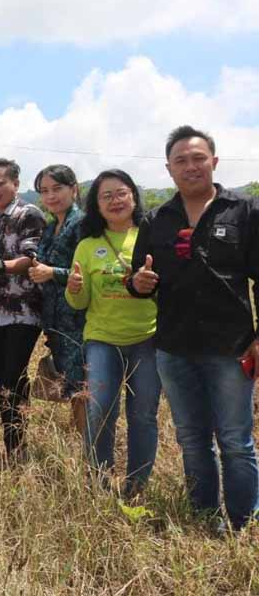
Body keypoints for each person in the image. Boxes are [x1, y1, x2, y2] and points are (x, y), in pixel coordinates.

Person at [129, 125, 259, 530]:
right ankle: (205, 517)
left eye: (198, 158)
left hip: (231, 346)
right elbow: (137, 278)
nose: (190, 166)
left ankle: (244, 522)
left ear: (214, 162)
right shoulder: (156, 220)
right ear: (168, 169)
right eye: (181, 160)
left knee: (236, 441)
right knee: (191, 439)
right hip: (174, 347)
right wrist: (138, 283)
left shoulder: (245, 211)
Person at [66, 170, 160, 495]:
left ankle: (136, 487)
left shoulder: (151, 237)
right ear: (96, 205)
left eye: (121, 193)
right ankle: (99, 484)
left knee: (143, 415)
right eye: (106, 196)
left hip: (148, 339)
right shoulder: (87, 246)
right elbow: (79, 303)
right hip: (102, 341)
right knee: (100, 411)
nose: (115, 200)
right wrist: (74, 288)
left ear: (133, 196)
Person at [0, 158, 46, 458]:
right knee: (2, 381)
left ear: (15, 184)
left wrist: (0, 266)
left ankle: (18, 448)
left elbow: (32, 258)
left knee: (14, 377)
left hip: (23, 310)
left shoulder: (29, 214)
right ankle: (12, 445)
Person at [29, 164, 87, 431]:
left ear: (73, 189)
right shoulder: (51, 226)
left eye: (57, 188)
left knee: (82, 383)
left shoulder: (82, 223)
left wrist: (51, 272)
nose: (51, 196)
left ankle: (87, 440)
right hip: (55, 318)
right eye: (44, 191)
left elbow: (87, 271)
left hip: (78, 317)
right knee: (69, 380)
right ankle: (78, 437)